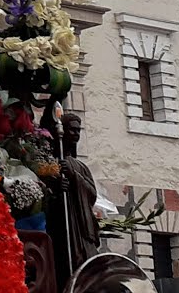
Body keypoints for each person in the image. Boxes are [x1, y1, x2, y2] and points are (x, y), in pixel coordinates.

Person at [50, 112, 101, 285]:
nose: (76, 135)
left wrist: (74, 177)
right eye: (72, 131)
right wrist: (58, 188)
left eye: (78, 131)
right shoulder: (52, 162)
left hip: (81, 226)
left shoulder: (80, 167)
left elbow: (92, 194)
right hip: (63, 224)